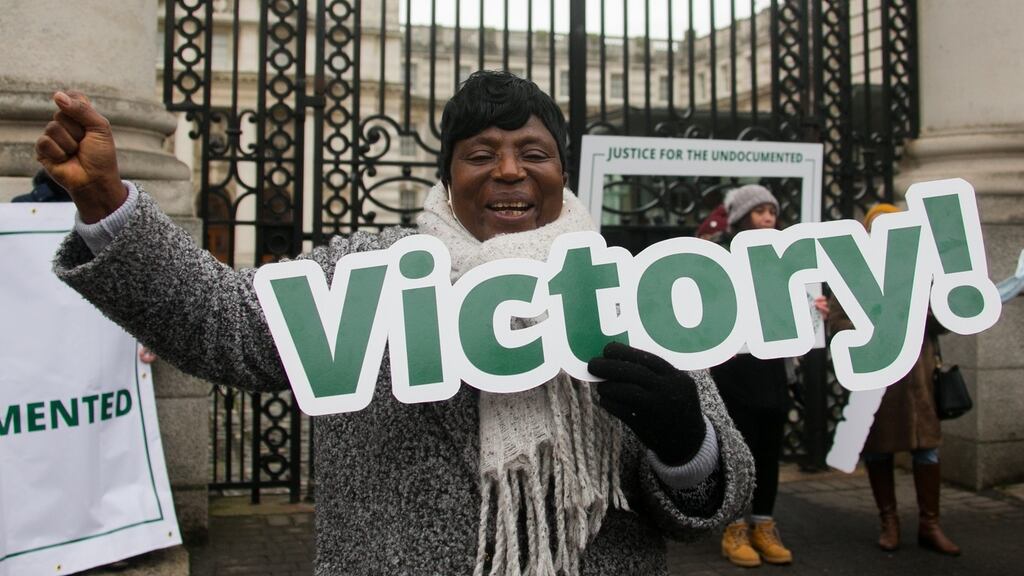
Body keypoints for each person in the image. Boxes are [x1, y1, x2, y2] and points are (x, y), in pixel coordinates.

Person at [36, 72, 754, 575]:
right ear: (447, 178)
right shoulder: (367, 271)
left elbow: (712, 499)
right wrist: (109, 204)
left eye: (534, 153)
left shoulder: (627, 287)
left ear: (563, 174)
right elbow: (220, 322)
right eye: (480, 155)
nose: (509, 171)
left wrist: (685, 445)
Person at [827, 203, 960, 556]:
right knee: (878, 450)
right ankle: (889, 521)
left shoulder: (919, 269)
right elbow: (837, 322)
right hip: (877, 375)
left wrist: (926, 310)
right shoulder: (852, 273)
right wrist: (873, 327)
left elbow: (944, 321)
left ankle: (930, 525)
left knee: (927, 449)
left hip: (917, 375)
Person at [709, 184, 793, 568]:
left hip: (771, 368)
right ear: (742, 217)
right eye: (759, 212)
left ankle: (764, 524)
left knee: (768, 451)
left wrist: (815, 310)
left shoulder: (784, 257)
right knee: (736, 452)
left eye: (772, 212)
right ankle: (734, 527)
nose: (767, 219)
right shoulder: (718, 254)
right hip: (733, 371)